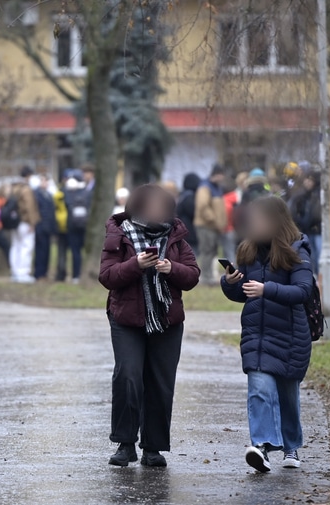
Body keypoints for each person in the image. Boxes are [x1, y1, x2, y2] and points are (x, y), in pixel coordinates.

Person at [99, 183, 200, 468]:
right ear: (138, 207)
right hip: (127, 318)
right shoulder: (119, 234)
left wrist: (172, 269)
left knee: (159, 382)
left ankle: (153, 448)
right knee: (128, 376)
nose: (158, 212)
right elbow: (107, 276)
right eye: (152, 206)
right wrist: (136, 265)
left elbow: (192, 276)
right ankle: (125, 443)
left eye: (162, 207)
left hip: (167, 320)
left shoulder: (177, 237)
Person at [220, 196, 314, 473]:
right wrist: (230, 283)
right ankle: (261, 447)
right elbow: (242, 294)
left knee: (287, 396)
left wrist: (266, 289)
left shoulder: (297, 250)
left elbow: (302, 291)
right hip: (255, 335)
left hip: (289, 336)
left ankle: (291, 445)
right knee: (259, 390)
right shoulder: (247, 250)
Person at [194, 164, 227, 284]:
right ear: (216, 174)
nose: (222, 178)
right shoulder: (205, 187)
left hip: (213, 227)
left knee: (212, 251)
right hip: (206, 226)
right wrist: (214, 219)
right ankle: (206, 277)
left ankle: (209, 275)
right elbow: (203, 206)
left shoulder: (216, 187)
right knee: (206, 251)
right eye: (221, 175)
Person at [9, 166, 41, 283]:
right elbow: (30, 206)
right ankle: (23, 273)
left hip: (14, 222)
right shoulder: (26, 189)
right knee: (26, 246)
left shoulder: (13, 188)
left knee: (15, 246)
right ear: (28, 176)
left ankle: (15, 271)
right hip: (25, 221)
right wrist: (33, 222)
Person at [289, 171, 322, 272]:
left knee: (318, 252)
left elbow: (316, 213)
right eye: (306, 179)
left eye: (310, 180)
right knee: (310, 252)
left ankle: (318, 271)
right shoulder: (301, 195)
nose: (307, 182)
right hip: (305, 228)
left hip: (317, 229)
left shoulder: (318, 195)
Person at [64, 175, 91, 284]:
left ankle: (76, 275)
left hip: (72, 226)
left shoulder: (68, 194)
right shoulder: (88, 193)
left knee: (75, 251)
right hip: (85, 226)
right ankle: (84, 273)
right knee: (85, 251)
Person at [33, 175, 57, 281]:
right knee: (40, 251)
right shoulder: (37, 194)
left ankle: (44, 272)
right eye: (44, 181)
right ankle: (39, 272)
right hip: (40, 226)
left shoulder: (48, 195)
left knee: (47, 251)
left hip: (48, 227)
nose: (45, 183)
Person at [176, 173, 201, 254]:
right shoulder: (189, 197)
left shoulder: (182, 195)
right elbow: (193, 212)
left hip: (183, 231)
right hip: (189, 232)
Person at [54, 171, 70, 282]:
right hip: (65, 225)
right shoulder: (62, 193)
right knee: (62, 252)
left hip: (62, 224)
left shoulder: (58, 192)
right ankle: (61, 273)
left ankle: (61, 273)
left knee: (61, 251)